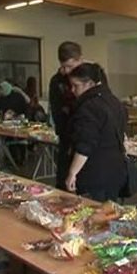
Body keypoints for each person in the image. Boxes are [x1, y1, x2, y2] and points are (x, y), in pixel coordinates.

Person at [65, 63, 127, 202]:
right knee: (107, 212)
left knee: (91, 215)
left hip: (95, 172)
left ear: (90, 84)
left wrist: (72, 172)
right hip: (115, 169)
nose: (72, 90)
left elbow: (85, 144)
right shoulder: (114, 101)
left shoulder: (89, 107)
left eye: (76, 85)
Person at [49, 41, 84, 190]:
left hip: (87, 136)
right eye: (64, 66)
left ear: (80, 60)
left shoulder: (92, 76)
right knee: (64, 184)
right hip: (66, 138)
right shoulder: (57, 81)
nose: (67, 70)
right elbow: (57, 112)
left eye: (71, 66)